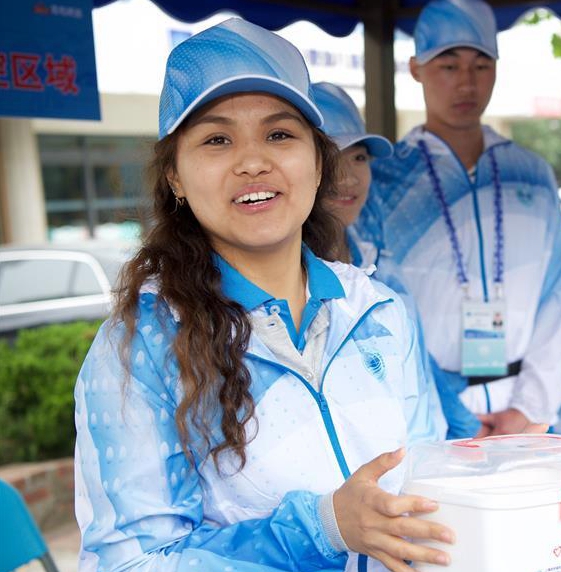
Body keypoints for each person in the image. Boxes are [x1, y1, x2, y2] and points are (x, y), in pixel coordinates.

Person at [73, 18, 453, 572]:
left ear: (319, 162)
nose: (253, 162)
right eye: (217, 139)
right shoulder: (143, 344)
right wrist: (321, 529)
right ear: (175, 176)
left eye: (279, 135)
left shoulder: (378, 310)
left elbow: (432, 487)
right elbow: (130, 564)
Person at [357, 0, 561, 438]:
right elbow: (372, 306)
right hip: (423, 415)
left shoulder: (531, 173)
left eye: (481, 65)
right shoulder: (385, 177)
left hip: (522, 417)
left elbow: (557, 294)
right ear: (416, 69)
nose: (466, 83)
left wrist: (532, 409)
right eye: (448, 65)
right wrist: (442, 411)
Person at [312, 81, 479, 439]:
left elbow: (419, 367)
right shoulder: (290, 281)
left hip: (423, 460)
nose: (348, 177)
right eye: (331, 158)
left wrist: (465, 430)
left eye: (359, 158)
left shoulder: (379, 264)